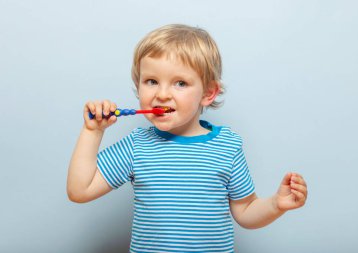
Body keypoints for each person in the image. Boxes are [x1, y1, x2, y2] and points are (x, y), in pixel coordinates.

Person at [67, 24, 308, 253]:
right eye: (151, 81)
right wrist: (93, 132)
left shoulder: (228, 146)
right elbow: (80, 190)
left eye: (180, 83)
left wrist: (276, 204)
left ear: (208, 93)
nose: (162, 94)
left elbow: (246, 210)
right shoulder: (137, 145)